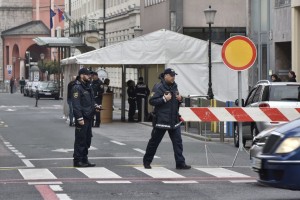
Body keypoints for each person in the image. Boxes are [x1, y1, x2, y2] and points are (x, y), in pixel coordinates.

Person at [143, 68, 191, 170]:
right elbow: (152, 101)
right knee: (154, 142)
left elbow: (175, 102)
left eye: (174, 75)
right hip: (161, 121)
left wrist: (179, 99)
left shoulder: (175, 86)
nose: (173, 77)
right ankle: (147, 162)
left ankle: (180, 163)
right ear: (165, 76)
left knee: (178, 143)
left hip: (174, 120)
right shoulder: (158, 87)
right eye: (171, 75)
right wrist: (164, 99)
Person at [72, 68, 101, 167]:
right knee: (80, 140)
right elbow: (76, 104)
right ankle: (78, 160)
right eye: (87, 74)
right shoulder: (77, 87)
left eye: (90, 75)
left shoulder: (88, 87)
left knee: (87, 140)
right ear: (81, 75)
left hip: (89, 116)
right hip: (82, 118)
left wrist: (96, 106)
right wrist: (79, 118)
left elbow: (91, 101)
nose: (89, 76)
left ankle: (85, 159)